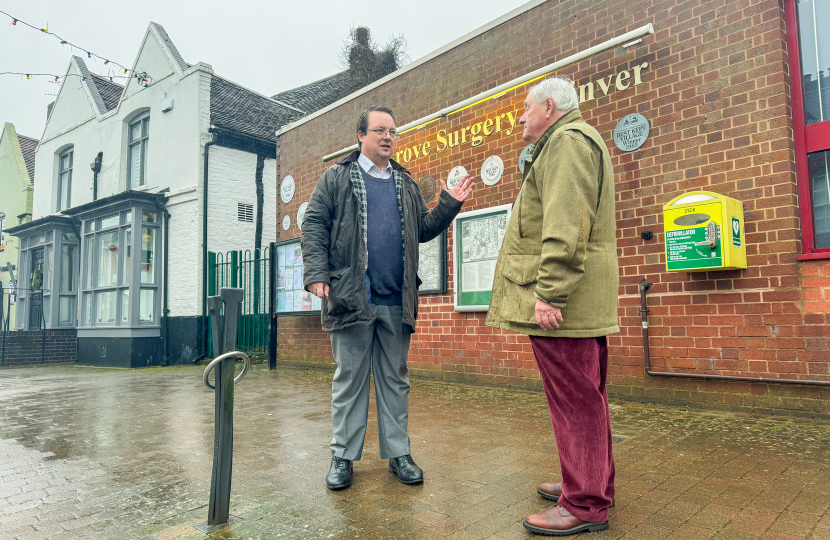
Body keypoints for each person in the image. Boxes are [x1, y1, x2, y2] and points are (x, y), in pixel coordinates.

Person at [302, 106, 475, 490]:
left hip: (396, 299)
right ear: (360, 136)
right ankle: (343, 456)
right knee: (350, 379)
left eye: (393, 132)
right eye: (380, 130)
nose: (388, 137)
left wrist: (449, 202)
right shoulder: (336, 178)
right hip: (351, 297)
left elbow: (423, 230)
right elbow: (313, 224)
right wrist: (315, 274)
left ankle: (399, 454)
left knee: (396, 380)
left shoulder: (405, 183)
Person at [486, 76, 619, 535]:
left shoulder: (566, 142)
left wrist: (549, 293)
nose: (520, 117)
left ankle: (583, 504)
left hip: (565, 306)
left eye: (525, 107)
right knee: (588, 397)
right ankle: (590, 483)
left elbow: (565, 225)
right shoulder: (574, 142)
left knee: (575, 402)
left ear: (549, 106)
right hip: (578, 304)